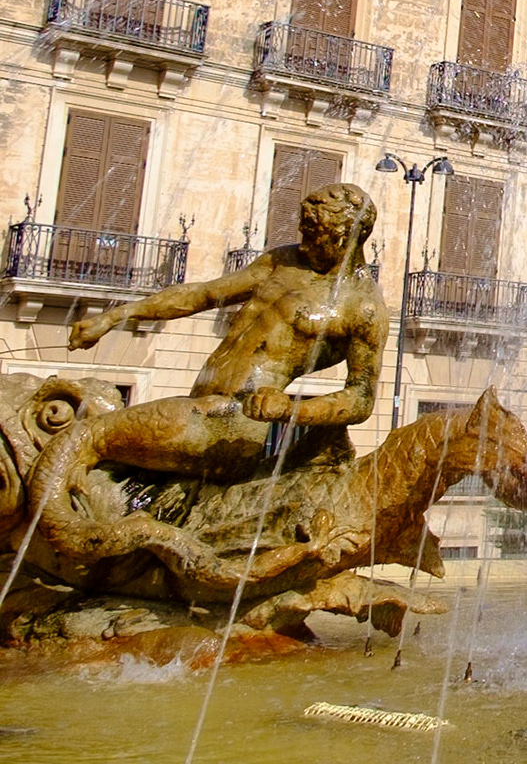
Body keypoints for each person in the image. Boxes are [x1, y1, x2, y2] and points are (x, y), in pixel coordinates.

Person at [29, 183, 389, 560]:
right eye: (304, 231)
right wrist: (117, 315)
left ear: (349, 237)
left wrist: (289, 409)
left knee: (91, 435)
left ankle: (61, 538)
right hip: (198, 404)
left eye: (317, 236)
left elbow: (361, 397)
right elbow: (202, 294)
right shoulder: (283, 262)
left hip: (230, 424)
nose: (306, 243)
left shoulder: (362, 307)